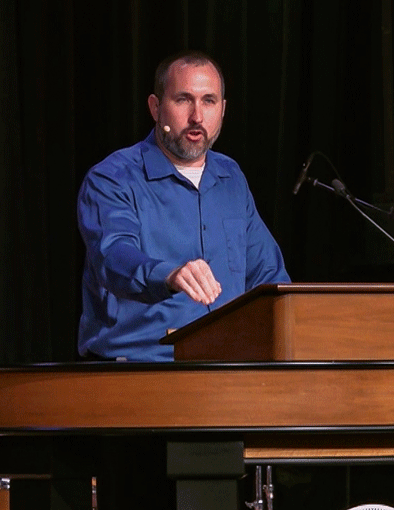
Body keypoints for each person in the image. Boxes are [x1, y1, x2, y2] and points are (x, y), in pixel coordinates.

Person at [77, 50, 290, 362]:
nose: (197, 117)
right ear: (155, 107)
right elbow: (113, 256)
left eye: (208, 101)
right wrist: (168, 274)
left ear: (223, 110)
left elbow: (268, 274)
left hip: (228, 368)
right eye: (183, 100)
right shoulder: (112, 178)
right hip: (140, 369)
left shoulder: (230, 177)